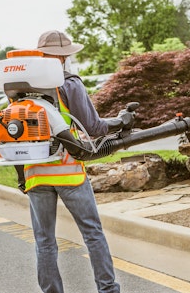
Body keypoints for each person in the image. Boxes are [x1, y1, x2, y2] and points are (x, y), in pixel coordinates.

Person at [22, 30, 121, 293]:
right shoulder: (69, 83)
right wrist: (122, 121)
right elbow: (94, 127)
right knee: (93, 234)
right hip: (68, 172)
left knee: (44, 241)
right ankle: (108, 290)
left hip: (35, 174)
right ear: (62, 56)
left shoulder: (21, 85)